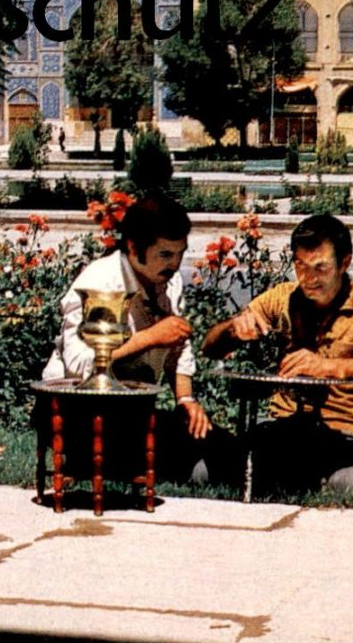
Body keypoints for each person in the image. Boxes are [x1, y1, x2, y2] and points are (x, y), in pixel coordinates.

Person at [202, 213, 353, 498]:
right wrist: (233, 330)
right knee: (208, 470)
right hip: (282, 426)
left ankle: (308, 478)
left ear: (344, 263)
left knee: (342, 484)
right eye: (300, 266)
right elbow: (209, 347)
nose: (308, 278)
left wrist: (329, 367)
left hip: (343, 431)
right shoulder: (282, 297)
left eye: (320, 268)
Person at [42, 194, 228, 483]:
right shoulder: (101, 282)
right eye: (165, 255)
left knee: (218, 442)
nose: (175, 264)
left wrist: (186, 401)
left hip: (131, 411)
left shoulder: (167, 280)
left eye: (180, 254)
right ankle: (94, 463)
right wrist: (149, 337)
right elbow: (78, 365)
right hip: (76, 412)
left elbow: (178, 347)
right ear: (132, 248)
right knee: (198, 458)